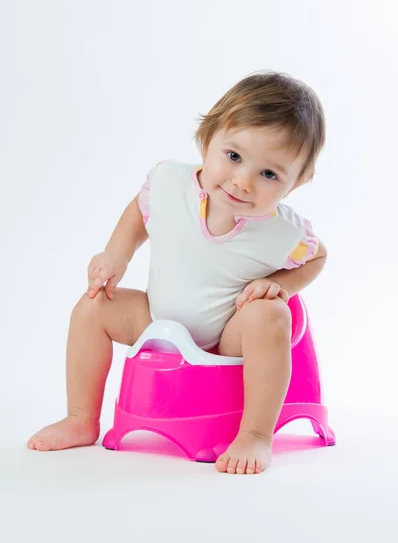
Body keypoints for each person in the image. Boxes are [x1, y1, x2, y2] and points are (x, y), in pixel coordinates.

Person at [27, 70, 328, 475]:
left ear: (296, 184)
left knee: (271, 313)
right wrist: (117, 254)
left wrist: (280, 285)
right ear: (208, 139)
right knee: (92, 308)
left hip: (227, 337)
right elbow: (141, 210)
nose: (243, 181)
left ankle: (255, 434)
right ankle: (81, 417)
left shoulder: (283, 232)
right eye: (234, 156)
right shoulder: (170, 184)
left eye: (269, 174)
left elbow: (317, 257)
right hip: (157, 318)